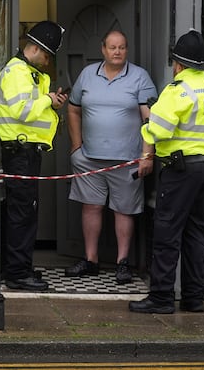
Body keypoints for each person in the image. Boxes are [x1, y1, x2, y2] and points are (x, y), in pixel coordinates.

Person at [129, 30, 204, 314]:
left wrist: (147, 122)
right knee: (196, 234)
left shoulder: (177, 91)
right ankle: (193, 298)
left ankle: (161, 297)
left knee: (167, 232)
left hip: (180, 169)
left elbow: (158, 131)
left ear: (178, 64)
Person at [65, 30, 157, 284]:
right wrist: (76, 146)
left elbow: (151, 119)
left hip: (127, 160)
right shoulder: (87, 75)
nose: (117, 52)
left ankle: (122, 263)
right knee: (91, 207)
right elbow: (73, 109)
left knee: (123, 211)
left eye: (122, 47)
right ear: (103, 49)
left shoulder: (140, 77)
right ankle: (91, 260)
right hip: (89, 158)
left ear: (127, 50)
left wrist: (147, 155)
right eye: (112, 47)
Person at [0, 20, 68, 291]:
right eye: (47, 55)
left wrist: (50, 101)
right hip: (19, 153)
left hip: (27, 153)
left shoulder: (29, 73)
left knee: (26, 214)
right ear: (34, 49)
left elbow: (30, 111)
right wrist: (48, 100)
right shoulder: (16, 72)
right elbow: (21, 111)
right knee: (21, 214)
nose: (48, 62)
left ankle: (21, 267)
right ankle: (16, 274)